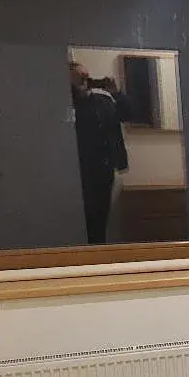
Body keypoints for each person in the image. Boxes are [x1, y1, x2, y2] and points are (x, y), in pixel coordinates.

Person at [69, 62, 130, 244]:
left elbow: (127, 114)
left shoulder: (103, 101)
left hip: (104, 169)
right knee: (83, 220)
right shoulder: (68, 105)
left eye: (86, 75)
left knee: (100, 219)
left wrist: (116, 93)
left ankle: (98, 251)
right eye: (78, 76)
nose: (84, 79)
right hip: (79, 170)